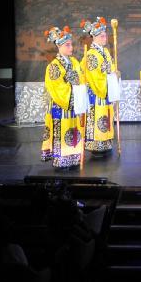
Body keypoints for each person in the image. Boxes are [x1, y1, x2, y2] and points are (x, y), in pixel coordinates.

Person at [41, 26, 86, 170]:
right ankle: (61, 160)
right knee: (62, 132)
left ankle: (74, 158)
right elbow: (56, 88)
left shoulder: (74, 62)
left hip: (74, 104)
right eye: (67, 45)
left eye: (71, 44)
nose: (71, 47)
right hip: (61, 105)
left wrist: (79, 85)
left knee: (74, 132)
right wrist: (72, 88)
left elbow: (81, 79)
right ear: (59, 46)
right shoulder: (53, 66)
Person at [79, 17, 115, 156]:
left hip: (106, 89)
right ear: (94, 37)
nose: (105, 38)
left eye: (105, 35)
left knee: (105, 117)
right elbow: (95, 76)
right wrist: (107, 81)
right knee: (98, 117)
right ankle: (95, 145)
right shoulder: (92, 55)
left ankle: (105, 142)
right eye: (102, 36)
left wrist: (114, 74)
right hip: (97, 91)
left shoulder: (104, 52)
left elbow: (110, 68)